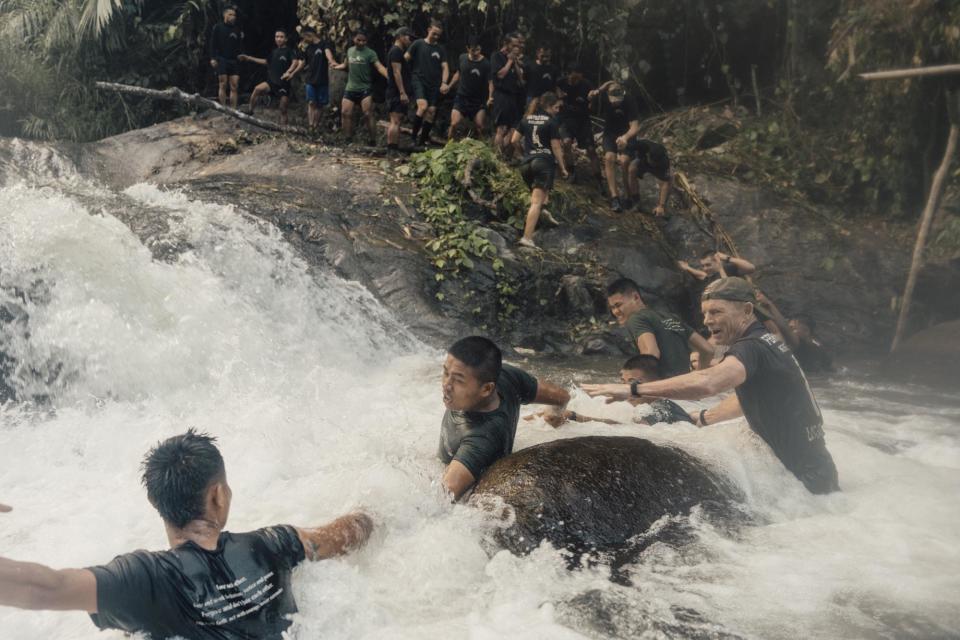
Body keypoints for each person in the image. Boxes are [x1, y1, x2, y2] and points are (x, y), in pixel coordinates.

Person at [0, 430, 373, 638]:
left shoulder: (143, 579)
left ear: (156, 502)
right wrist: (374, 512)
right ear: (219, 495)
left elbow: (41, 588)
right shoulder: (275, 543)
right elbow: (348, 533)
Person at [584, 277, 840, 495]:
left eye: (716, 312)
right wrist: (704, 417)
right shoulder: (768, 341)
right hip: (819, 474)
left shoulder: (750, 347)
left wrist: (633, 389)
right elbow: (748, 397)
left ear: (747, 310)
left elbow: (709, 383)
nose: (706, 320)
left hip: (805, 483)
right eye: (705, 312)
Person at [439, 336, 571, 499]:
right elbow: (562, 397)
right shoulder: (506, 376)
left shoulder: (482, 438)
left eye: (458, 380)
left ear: (486, 389)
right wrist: (554, 415)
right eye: (445, 372)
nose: (446, 384)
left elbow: (443, 496)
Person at [533, 355, 693, 427]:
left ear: (657, 384)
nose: (625, 389)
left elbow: (633, 429)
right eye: (622, 383)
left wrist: (575, 417)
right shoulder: (638, 407)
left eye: (633, 383)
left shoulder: (662, 407)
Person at [606, 278, 715, 378]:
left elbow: (651, 354)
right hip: (685, 390)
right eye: (612, 308)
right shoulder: (671, 317)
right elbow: (708, 350)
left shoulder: (636, 318)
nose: (615, 312)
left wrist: (635, 388)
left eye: (618, 305)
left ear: (636, 297)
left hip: (664, 392)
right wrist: (697, 377)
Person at [511, 92, 569, 249]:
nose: (558, 110)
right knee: (536, 202)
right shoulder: (551, 122)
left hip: (526, 165)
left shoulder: (526, 119)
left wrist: (523, 152)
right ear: (548, 106)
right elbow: (556, 146)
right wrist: (563, 167)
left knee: (540, 193)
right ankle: (527, 238)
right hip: (543, 163)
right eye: (556, 107)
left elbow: (514, 140)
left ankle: (544, 212)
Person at [589, 82, 640, 212]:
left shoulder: (629, 100)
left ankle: (628, 194)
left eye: (618, 101)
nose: (615, 103)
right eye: (613, 101)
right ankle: (614, 197)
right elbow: (592, 96)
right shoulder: (604, 97)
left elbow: (634, 126)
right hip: (610, 132)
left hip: (626, 132)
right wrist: (599, 90)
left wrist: (625, 137)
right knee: (609, 158)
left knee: (624, 161)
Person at [240, 29, 303, 126]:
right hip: (271, 82)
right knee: (257, 89)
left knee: (283, 109)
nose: (278, 39)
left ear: (286, 39)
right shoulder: (274, 52)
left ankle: (283, 130)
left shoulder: (289, 51)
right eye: (277, 37)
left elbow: (295, 62)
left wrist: (289, 71)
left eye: (281, 37)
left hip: (283, 84)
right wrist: (249, 58)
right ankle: (250, 111)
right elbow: (266, 62)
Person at [406, 20, 450, 147]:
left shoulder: (440, 49)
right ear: (428, 30)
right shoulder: (418, 44)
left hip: (434, 84)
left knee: (431, 111)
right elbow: (405, 58)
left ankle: (422, 142)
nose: (436, 37)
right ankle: (413, 139)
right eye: (434, 33)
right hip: (419, 79)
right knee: (423, 106)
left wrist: (444, 83)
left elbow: (445, 67)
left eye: (438, 35)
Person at [341, 29, 388, 144]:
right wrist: (335, 65)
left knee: (368, 114)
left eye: (364, 41)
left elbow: (379, 67)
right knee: (345, 113)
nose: (361, 43)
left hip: (365, 89)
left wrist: (389, 75)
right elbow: (345, 64)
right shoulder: (350, 50)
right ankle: (348, 139)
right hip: (350, 88)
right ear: (354, 39)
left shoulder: (370, 53)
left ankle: (372, 140)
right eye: (359, 40)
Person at [556, 65, 598, 181]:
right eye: (573, 78)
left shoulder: (587, 85)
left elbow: (593, 107)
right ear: (569, 75)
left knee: (590, 149)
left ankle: (598, 178)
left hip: (583, 119)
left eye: (578, 79)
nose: (575, 81)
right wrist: (559, 96)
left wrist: (591, 100)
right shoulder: (561, 82)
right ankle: (571, 171)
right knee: (566, 142)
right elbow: (552, 86)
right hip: (566, 118)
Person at [447, 36, 491, 141]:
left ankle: (483, 151)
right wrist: (449, 86)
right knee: (454, 123)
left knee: (480, 126)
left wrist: (490, 97)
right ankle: (447, 147)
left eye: (478, 49)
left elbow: (490, 82)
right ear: (467, 49)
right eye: (473, 50)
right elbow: (458, 73)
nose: (476, 52)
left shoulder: (486, 63)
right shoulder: (462, 58)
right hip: (462, 97)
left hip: (478, 99)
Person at [490, 32, 526, 157]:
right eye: (514, 45)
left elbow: (521, 81)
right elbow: (500, 75)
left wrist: (514, 62)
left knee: (512, 129)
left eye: (518, 45)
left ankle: (502, 155)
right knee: (502, 128)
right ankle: (496, 156)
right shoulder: (497, 56)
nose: (517, 48)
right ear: (506, 44)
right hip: (501, 96)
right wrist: (510, 61)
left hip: (513, 97)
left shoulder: (514, 60)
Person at [300, 26, 340, 132]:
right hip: (310, 79)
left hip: (322, 79)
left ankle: (315, 127)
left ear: (310, 35)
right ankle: (310, 126)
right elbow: (303, 62)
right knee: (311, 102)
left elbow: (328, 54)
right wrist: (292, 72)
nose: (304, 40)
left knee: (320, 104)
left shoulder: (324, 44)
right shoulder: (308, 48)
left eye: (304, 38)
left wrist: (331, 61)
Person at [386, 27, 415, 152]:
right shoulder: (396, 52)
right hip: (396, 92)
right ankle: (392, 149)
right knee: (395, 121)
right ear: (401, 36)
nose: (410, 41)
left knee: (396, 121)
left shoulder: (397, 51)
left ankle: (393, 148)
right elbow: (396, 72)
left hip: (396, 91)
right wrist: (402, 92)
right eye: (409, 37)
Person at [209, 5, 244, 109]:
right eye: (230, 14)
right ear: (225, 15)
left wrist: (242, 54)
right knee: (223, 84)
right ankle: (223, 108)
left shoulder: (237, 29)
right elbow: (212, 44)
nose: (233, 16)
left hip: (234, 60)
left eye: (234, 15)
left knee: (234, 86)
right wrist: (213, 58)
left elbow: (240, 45)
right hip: (222, 59)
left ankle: (233, 110)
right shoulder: (218, 27)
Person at [626, 138, 672, 216]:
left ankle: (662, 207)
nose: (653, 164)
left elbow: (664, 183)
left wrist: (661, 205)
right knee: (632, 169)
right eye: (653, 161)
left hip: (658, 168)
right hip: (643, 162)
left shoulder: (664, 162)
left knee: (669, 179)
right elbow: (628, 145)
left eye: (655, 162)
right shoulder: (642, 145)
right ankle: (636, 200)